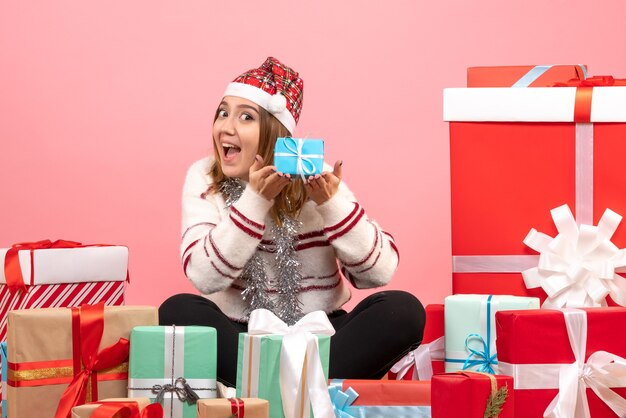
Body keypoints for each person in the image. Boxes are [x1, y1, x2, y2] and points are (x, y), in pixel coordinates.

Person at [159, 57, 425, 387]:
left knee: (404, 310)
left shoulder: (316, 173)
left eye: (245, 117)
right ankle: (307, 390)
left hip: (323, 334)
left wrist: (331, 205)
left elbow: (378, 272)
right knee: (177, 311)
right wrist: (255, 201)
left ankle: (271, 391)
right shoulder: (204, 176)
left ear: (275, 131)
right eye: (222, 112)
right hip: (242, 334)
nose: (226, 127)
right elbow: (203, 276)